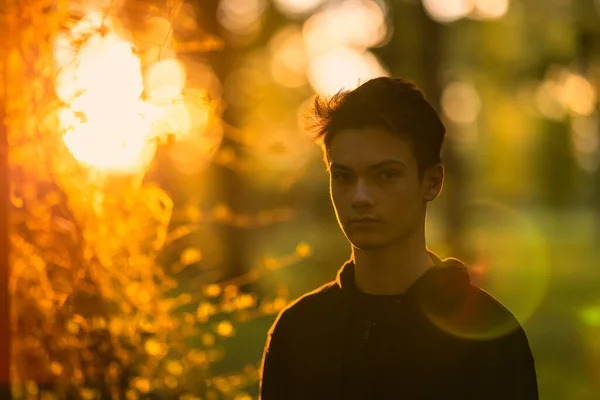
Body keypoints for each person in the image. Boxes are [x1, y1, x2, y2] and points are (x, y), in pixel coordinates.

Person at [259, 77, 539, 399]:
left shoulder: (487, 334)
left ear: (432, 182)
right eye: (343, 176)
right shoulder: (297, 331)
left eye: (386, 175)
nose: (360, 196)